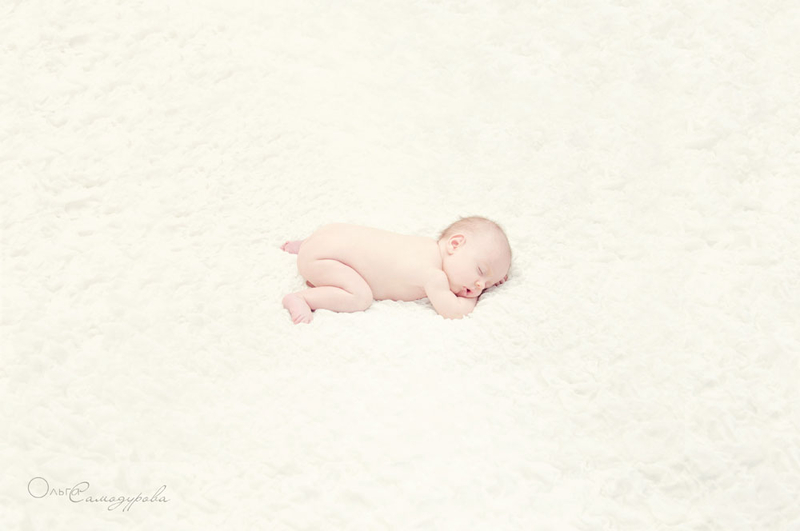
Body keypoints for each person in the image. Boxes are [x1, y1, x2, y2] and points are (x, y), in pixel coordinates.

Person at [281, 216, 511, 324]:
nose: (480, 285)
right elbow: (455, 312)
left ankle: (304, 246)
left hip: (328, 235)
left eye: (488, 284)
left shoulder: (423, 244)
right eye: (480, 271)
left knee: (361, 244)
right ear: (455, 244)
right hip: (322, 259)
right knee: (360, 297)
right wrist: (473, 297)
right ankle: (302, 298)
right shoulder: (434, 277)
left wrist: (490, 277)